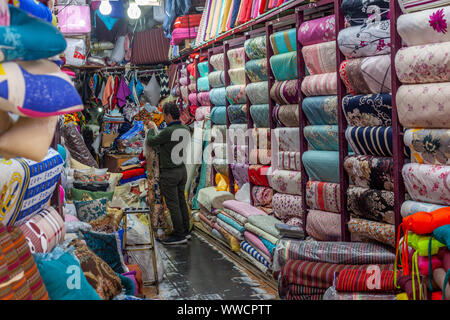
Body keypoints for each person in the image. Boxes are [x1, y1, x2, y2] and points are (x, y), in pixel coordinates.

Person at [146, 102, 191, 245]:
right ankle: (185, 230)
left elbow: (152, 141)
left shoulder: (168, 132)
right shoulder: (185, 128)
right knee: (181, 201)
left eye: (164, 115)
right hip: (182, 171)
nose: (164, 118)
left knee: (173, 204)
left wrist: (152, 129)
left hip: (170, 173)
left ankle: (179, 234)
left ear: (169, 115)